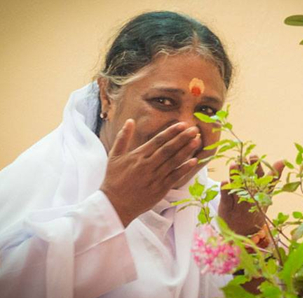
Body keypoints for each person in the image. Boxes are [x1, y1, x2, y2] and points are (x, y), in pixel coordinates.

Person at [0, 11, 282, 298]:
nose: (188, 127)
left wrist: (243, 239)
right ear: (107, 95)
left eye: (207, 110)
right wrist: (113, 208)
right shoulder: (42, 183)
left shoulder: (211, 205)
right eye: (164, 101)